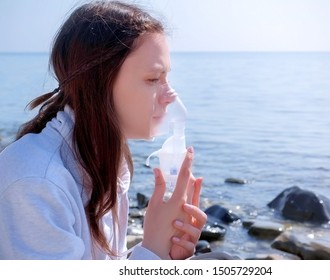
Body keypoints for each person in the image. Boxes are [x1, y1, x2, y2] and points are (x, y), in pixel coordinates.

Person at [0, 0, 207, 260]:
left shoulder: (104, 156)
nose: (170, 96)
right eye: (153, 79)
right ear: (99, 82)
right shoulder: (35, 182)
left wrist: (165, 252)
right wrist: (151, 250)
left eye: (167, 77)